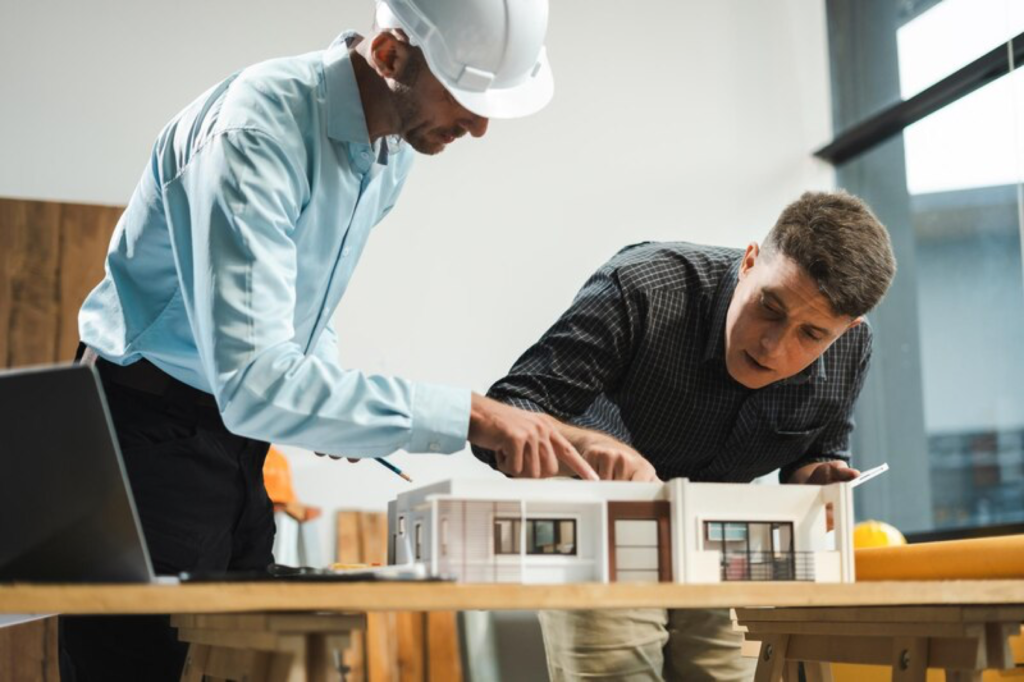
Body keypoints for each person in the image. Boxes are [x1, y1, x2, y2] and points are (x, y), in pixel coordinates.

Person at [61, 1, 597, 679]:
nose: (482, 126)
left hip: (231, 435)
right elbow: (256, 382)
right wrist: (470, 414)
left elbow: (297, 301)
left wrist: (329, 398)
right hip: (141, 436)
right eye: (465, 96)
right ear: (389, 55)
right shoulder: (256, 132)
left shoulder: (391, 151)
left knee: (233, 659)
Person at [472, 190, 897, 681]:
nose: (772, 345)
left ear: (847, 329)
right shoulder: (642, 285)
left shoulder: (852, 349)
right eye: (770, 308)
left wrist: (814, 478)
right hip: (603, 510)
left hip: (726, 525)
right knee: (618, 673)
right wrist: (591, 445)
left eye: (811, 335)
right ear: (750, 262)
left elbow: (818, 451)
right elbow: (505, 412)